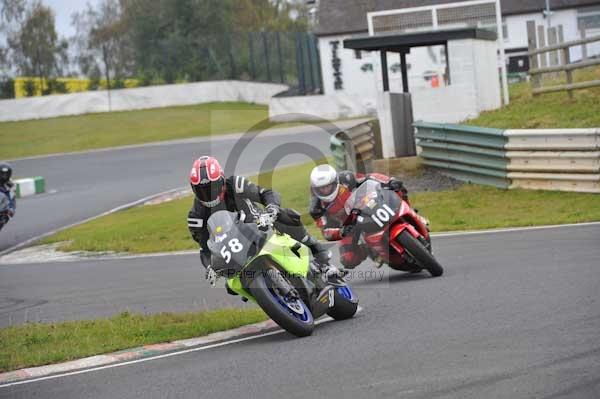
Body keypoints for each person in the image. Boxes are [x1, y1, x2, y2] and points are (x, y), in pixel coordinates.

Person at [187, 156, 339, 290]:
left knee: (287, 216)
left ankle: (322, 260)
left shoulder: (235, 184)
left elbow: (265, 193)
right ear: (194, 190)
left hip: (260, 227)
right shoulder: (196, 217)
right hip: (235, 251)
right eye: (202, 190)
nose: (209, 194)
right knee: (230, 286)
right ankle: (267, 295)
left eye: (213, 187)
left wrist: (271, 209)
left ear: (222, 180)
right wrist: (210, 267)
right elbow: (205, 249)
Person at [309, 164, 408, 269]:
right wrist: (341, 232)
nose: (325, 190)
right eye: (321, 188)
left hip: (367, 205)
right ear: (315, 189)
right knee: (348, 259)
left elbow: (370, 177)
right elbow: (326, 231)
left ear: (335, 182)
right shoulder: (316, 208)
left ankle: (408, 212)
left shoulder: (346, 178)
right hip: (348, 226)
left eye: (327, 186)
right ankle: (370, 250)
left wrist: (388, 181)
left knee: (397, 187)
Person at [0, 162, 16, 227]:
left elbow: (12, 198)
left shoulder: (11, 185)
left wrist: (11, 209)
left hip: (2, 206)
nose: (4, 176)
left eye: (6, 174)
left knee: (8, 214)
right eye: (2, 174)